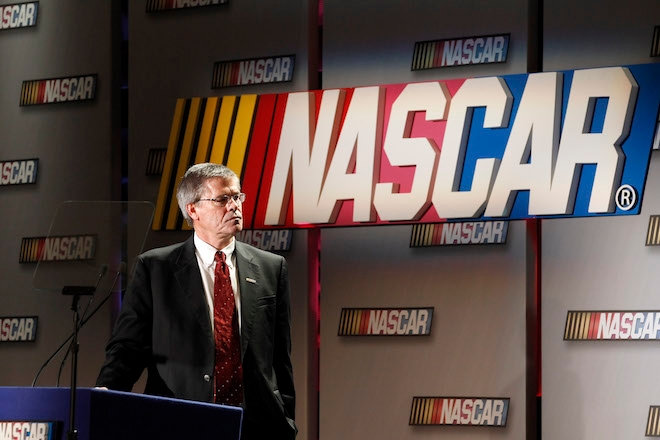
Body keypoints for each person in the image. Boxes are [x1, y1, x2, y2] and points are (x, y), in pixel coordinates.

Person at [96, 163, 297, 440]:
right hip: (179, 421)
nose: (234, 206)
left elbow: (280, 359)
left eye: (237, 196)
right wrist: (106, 395)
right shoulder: (156, 269)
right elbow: (129, 348)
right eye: (222, 199)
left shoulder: (271, 267)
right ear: (193, 210)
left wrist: (287, 421)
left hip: (256, 426)